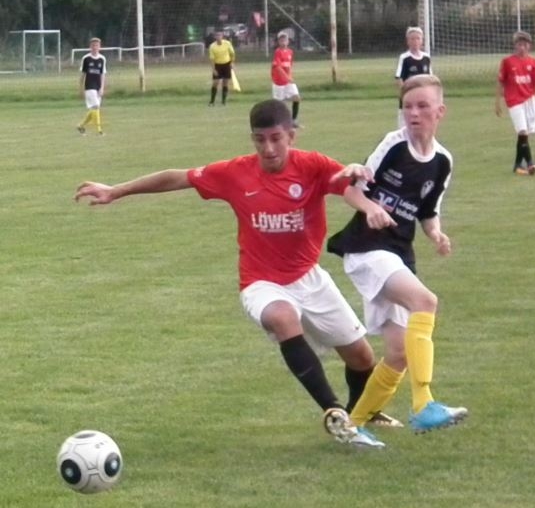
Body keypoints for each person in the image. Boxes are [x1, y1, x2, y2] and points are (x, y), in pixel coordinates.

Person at [75, 99, 389, 448]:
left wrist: (368, 206)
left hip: (308, 277)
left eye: (276, 138)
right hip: (261, 283)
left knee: (362, 358)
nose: (268, 149)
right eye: (260, 140)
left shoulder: (312, 165)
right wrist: (116, 190)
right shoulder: (235, 173)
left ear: (291, 135)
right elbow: (178, 177)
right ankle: (333, 412)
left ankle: (360, 415)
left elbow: (346, 185)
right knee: (283, 318)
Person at [327, 75, 468, 434]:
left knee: (399, 354)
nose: (414, 113)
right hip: (367, 247)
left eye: (422, 106)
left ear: (440, 111)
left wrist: (436, 234)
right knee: (425, 301)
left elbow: (428, 210)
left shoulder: (443, 161)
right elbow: (351, 190)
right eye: (407, 106)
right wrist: (371, 207)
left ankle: (353, 425)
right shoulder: (393, 145)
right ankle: (424, 404)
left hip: (399, 253)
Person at [495, 30, 535, 176]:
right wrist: (497, 102)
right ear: (515, 45)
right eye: (519, 44)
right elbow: (500, 82)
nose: (521, 47)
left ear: (529, 46)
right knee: (522, 131)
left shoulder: (533, 62)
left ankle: (517, 166)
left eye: (524, 44)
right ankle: (530, 163)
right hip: (514, 101)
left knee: (524, 134)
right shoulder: (507, 62)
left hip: (529, 100)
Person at [395, 27, 432, 129]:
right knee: (405, 127)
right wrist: (405, 94)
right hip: (409, 97)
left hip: (423, 97)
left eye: (418, 38)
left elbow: (430, 78)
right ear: (408, 41)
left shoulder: (426, 58)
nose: (415, 41)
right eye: (412, 39)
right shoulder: (405, 58)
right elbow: (399, 78)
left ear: (422, 41)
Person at [77, 38, 106, 136]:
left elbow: (102, 74)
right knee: (96, 106)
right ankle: (99, 130)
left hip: (98, 86)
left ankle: (81, 126)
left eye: (97, 45)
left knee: (94, 109)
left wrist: (102, 87)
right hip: (89, 86)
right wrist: (80, 88)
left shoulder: (102, 59)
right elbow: (83, 75)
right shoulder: (86, 58)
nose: (95, 47)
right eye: (93, 45)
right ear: (90, 47)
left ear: (99, 47)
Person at [271, 32, 301, 127]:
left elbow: (289, 66)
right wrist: (287, 78)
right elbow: (278, 68)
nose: (283, 42)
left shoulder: (290, 52)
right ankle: (276, 122)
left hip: (288, 81)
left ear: (288, 41)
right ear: (278, 42)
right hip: (279, 81)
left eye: (285, 40)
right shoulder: (277, 52)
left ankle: (293, 121)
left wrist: (290, 77)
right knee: (279, 104)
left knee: (296, 97)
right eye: (281, 40)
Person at [208, 30, 235, 106]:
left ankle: (223, 101)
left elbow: (232, 54)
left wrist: (232, 63)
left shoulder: (227, 44)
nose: (218, 37)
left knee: (225, 83)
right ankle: (212, 101)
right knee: (215, 83)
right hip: (217, 65)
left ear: (222, 36)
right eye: (217, 35)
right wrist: (214, 69)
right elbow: (212, 59)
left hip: (226, 64)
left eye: (220, 35)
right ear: (215, 37)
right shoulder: (212, 46)